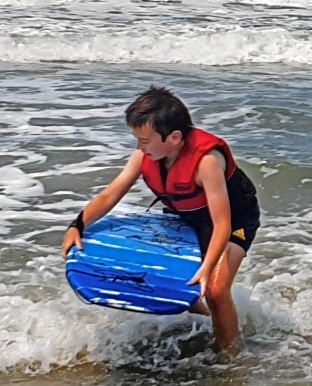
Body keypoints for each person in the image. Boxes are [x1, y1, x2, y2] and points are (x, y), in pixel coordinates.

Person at [61, 86, 260, 351]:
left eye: (144, 141)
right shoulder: (146, 154)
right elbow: (112, 194)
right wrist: (78, 224)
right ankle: (209, 326)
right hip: (187, 217)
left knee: (214, 289)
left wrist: (206, 268)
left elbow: (222, 224)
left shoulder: (207, 162)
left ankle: (232, 358)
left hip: (234, 220)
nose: (139, 147)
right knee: (182, 289)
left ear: (175, 138)